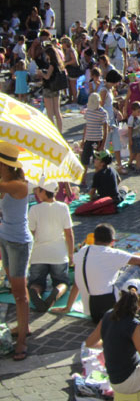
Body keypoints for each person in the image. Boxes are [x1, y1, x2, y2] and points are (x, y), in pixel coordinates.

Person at [58, 223, 140, 323]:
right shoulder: (112, 253)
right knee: (139, 269)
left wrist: (68, 307)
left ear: (94, 238)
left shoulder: (83, 250)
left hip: (91, 311)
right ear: (113, 241)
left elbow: (77, 283)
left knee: (114, 275)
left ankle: (134, 308)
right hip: (109, 308)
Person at [0, 142, 32, 360]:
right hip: (6, 238)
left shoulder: (20, 184)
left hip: (18, 242)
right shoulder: (6, 182)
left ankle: (21, 341)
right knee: (16, 290)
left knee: (20, 295)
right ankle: (24, 328)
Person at [28, 180, 74, 312]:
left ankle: (35, 292)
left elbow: (31, 232)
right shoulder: (63, 207)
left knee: (36, 282)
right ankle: (56, 294)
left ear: (43, 191)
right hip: (59, 254)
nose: (36, 192)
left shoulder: (34, 209)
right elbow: (69, 233)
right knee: (62, 282)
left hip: (39, 254)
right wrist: (71, 254)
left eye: (37, 190)